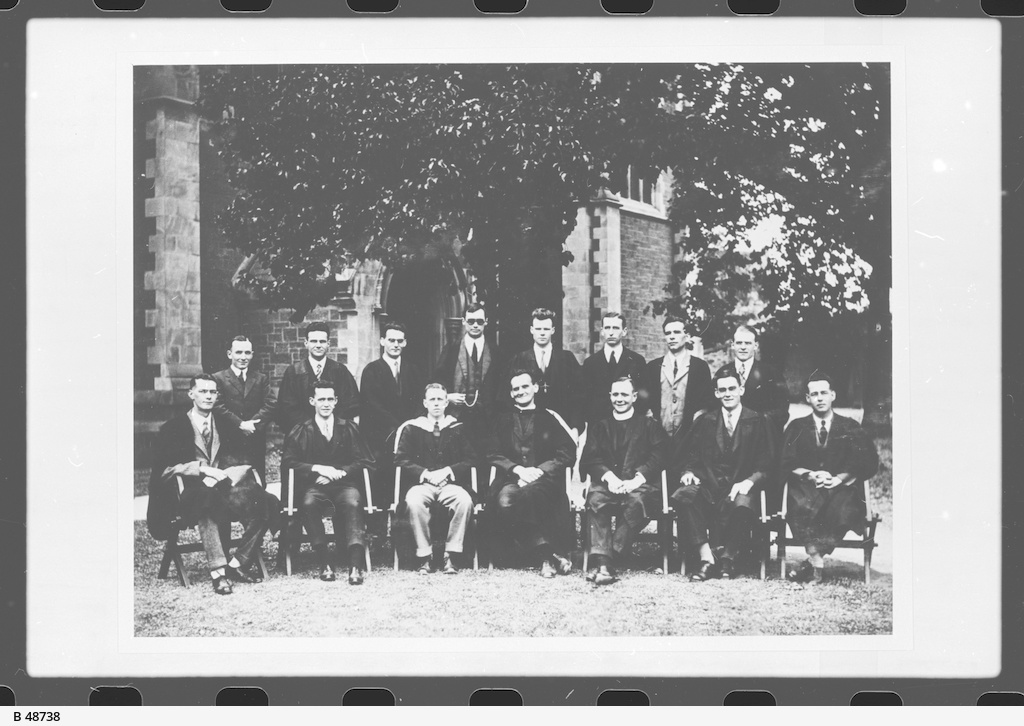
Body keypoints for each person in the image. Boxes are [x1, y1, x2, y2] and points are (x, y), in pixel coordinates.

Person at [147, 374, 278, 595]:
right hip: (190, 491)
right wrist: (200, 469)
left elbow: (243, 459)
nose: (208, 396)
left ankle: (238, 563)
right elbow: (165, 470)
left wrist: (228, 473)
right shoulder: (174, 427)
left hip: (225, 486)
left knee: (266, 500)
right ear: (191, 394)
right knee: (206, 501)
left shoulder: (227, 425)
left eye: (212, 392)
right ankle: (219, 572)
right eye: (203, 391)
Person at [669, 368, 774, 581]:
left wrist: (749, 481)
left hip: (740, 485)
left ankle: (728, 559)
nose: (727, 393)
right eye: (722, 390)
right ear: (716, 393)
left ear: (741, 390)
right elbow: (691, 455)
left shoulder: (757, 421)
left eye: (732, 388)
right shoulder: (705, 421)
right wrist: (689, 471)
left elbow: (766, 464)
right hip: (710, 484)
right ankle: (707, 558)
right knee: (685, 495)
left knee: (744, 503)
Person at [780, 372, 880, 583]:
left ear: (833, 395)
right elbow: (784, 462)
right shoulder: (796, 427)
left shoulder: (850, 426)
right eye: (814, 394)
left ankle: (812, 560)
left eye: (824, 393)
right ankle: (816, 561)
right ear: (807, 398)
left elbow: (868, 461)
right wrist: (809, 474)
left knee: (843, 509)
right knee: (800, 505)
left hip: (841, 488)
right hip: (806, 486)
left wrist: (839, 478)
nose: (819, 398)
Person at [484, 369, 577, 577]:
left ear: (535, 388)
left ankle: (544, 559)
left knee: (530, 496)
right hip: (511, 479)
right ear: (510, 393)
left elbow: (567, 452)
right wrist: (516, 469)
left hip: (543, 481)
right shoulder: (501, 420)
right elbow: (492, 453)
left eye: (525, 386)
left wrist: (540, 470)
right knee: (504, 502)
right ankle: (549, 555)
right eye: (515, 389)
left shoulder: (550, 417)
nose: (520, 391)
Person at [281, 380, 376, 585]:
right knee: (308, 503)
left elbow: (364, 460)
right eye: (321, 399)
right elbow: (289, 461)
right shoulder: (301, 430)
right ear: (312, 401)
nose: (325, 403)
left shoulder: (349, 427)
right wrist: (317, 469)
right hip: (316, 485)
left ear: (336, 401)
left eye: (330, 399)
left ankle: (355, 565)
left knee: (353, 503)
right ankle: (324, 561)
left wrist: (340, 472)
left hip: (346, 485)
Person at [579, 376, 669, 585]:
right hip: (608, 484)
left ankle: (606, 560)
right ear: (610, 396)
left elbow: (659, 455)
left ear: (634, 397)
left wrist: (637, 479)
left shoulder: (648, 425)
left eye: (624, 394)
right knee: (595, 498)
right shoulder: (600, 427)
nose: (619, 399)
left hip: (639, 485)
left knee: (637, 502)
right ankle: (606, 565)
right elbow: (590, 458)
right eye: (615, 394)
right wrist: (609, 477)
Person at [394, 383, 478, 575]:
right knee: (413, 502)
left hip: (450, 483)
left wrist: (448, 471)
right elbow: (401, 459)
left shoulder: (457, 427)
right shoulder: (412, 428)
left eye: (440, 399)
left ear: (447, 402)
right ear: (425, 403)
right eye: (432, 399)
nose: (437, 403)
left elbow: (471, 458)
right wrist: (425, 473)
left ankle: (452, 555)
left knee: (464, 501)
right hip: (422, 483)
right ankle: (425, 556)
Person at [359, 321, 425, 506]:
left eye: (399, 341)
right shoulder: (371, 370)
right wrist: (397, 426)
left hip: (409, 435)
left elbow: (421, 400)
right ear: (382, 341)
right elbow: (371, 404)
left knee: (408, 475)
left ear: (404, 343)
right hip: (382, 436)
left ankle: (403, 522)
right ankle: (379, 522)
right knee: (382, 478)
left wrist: (410, 426)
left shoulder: (413, 370)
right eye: (391, 340)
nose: (395, 344)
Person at [505, 308, 583, 432]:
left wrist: (575, 427)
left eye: (546, 329)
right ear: (531, 330)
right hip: (529, 427)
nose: (542, 333)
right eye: (538, 329)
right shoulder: (520, 359)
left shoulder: (566, 359)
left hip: (562, 425)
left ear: (553, 330)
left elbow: (578, 396)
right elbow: (509, 396)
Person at [433, 303, 502, 442]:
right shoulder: (452, 349)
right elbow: (437, 381)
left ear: (486, 322)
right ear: (463, 321)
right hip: (458, 416)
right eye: (471, 321)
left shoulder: (496, 351)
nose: (475, 325)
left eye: (480, 321)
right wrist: (448, 396)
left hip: (487, 419)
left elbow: (501, 385)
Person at [276, 322, 360, 436]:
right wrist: (311, 428)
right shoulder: (294, 372)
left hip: (335, 435)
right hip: (303, 435)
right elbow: (286, 407)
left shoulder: (340, 370)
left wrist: (331, 425)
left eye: (322, 341)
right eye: (314, 341)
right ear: (306, 343)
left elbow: (351, 403)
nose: (318, 345)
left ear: (328, 343)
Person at [212, 335, 276, 482]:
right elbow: (217, 405)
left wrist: (251, 424)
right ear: (230, 354)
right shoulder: (218, 378)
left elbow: (271, 403)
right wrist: (240, 424)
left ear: (252, 354)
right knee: (229, 485)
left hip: (254, 440)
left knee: (257, 483)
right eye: (238, 352)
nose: (243, 357)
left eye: (247, 353)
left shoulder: (260, 379)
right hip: (229, 440)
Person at [643, 316, 715, 440]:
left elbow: (706, 402)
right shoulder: (653, 367)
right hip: (658, 437)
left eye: (676, 332)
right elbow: (646, 402)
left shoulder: (699, 366)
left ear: (686, 336)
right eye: (668, 333)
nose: (671, 336)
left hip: (689, 438)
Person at [717, 325, 789, 436]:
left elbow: (782, 411)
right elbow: (713, 408)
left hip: (759, 438)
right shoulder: (722, 373)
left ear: (755, 345)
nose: (743, 347)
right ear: (732, 345)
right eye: (739, 343)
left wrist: (758, 423)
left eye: (748, 343)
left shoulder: (772, 374)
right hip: (729, 436)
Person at [580, 312, 647, 427]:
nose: (611, 332)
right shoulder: (590, 363)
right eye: (607, 328)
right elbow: (585, 399)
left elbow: (643, 396)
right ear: (602, 331)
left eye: (615, 328)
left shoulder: (637, 361)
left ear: (624, 331)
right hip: (599, 427)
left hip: (629, 427)